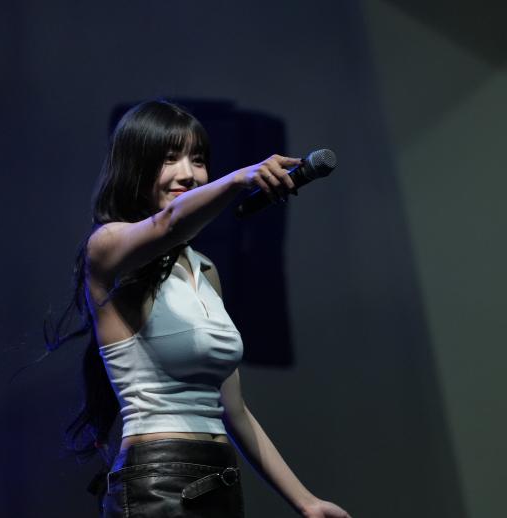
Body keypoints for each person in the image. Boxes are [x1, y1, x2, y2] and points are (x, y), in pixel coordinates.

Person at [47, 99, 350, 518]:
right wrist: (238, 179)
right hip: (157, 482)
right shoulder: (107, 246)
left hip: (219, 480)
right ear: (135, 166)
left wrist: (306, 502)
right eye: (169, 158)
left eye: (199, 160)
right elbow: (169, 223)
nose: (188, 173)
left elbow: (233, 410)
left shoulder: (204, 270)